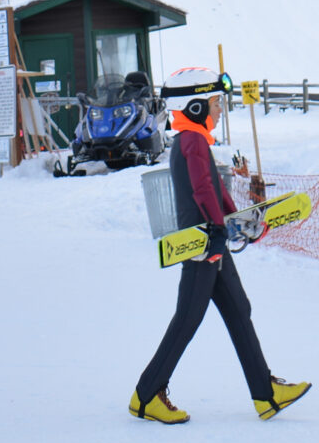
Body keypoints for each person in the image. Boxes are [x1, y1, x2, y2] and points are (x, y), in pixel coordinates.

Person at [129, 95, 309, 424]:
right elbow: (201, 189)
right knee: (188, 319)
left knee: (239, 309)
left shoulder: (192, 140)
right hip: (202, 244)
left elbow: (215, 190)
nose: (219, 111)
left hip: (212, 239)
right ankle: (146, 395)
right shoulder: (193, 140)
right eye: (215, 104)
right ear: (195, 107)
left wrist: (238, 222)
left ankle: (265, 394)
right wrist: (216, 228)